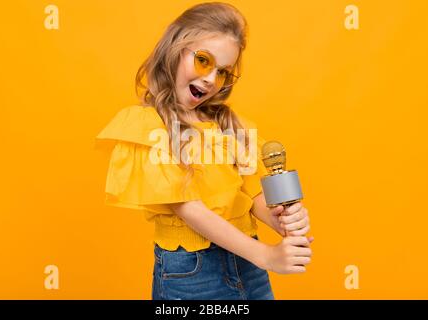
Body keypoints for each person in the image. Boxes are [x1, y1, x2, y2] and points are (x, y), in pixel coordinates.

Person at [95, 2, 313, 300]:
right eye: (202, 60)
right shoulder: (149, 126)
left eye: (222, 71)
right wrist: (266, 255)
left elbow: (251, 195)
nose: (211, 79)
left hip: (248, 267)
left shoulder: (230, 126)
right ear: (174, 49)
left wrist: (278, 219)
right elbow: (189, 209)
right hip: (191, 273)